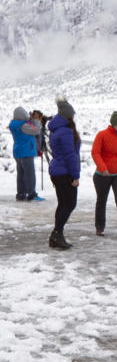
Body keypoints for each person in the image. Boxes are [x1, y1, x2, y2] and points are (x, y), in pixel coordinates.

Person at [91, 111, 117, 238]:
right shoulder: (102, 135)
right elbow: (95, 153)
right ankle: (99, 227)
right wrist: (102, 167)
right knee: (101, 201)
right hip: (103, 174)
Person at [47, 96, 82, 250]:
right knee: (69, 203)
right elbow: (70, 155)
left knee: (63, 204)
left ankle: (57, 235)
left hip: (57, 170)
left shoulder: (56, 129)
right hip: (65, 172)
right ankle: (56, 233)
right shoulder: (66, 132)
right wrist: (75, 176)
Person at [9, 107, 43, 202]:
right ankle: (32, 194)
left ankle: (20, 194)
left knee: (21, 174)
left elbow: (29, 127)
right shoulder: (23, 126)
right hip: (27, 152)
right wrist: (36, 120)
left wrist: (30, 119)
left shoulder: (14, 124)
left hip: (18, 152)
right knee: (29, 174)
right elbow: (36, 130)